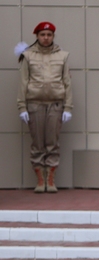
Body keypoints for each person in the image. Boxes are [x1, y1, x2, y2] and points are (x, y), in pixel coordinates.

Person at [16, 22, 73, 193]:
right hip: (34, 105)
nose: (46, 38)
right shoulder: (28, 56)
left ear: (53, 36)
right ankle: (40, 181)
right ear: (37, 36)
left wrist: (68, 108)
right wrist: (22, 107)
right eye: (42, 35)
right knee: (37, 144)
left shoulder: (62, 56)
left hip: (56, 105)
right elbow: (23, 83)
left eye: (49, 35)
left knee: (52, 144)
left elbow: (67, 83)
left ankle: (50, 180)